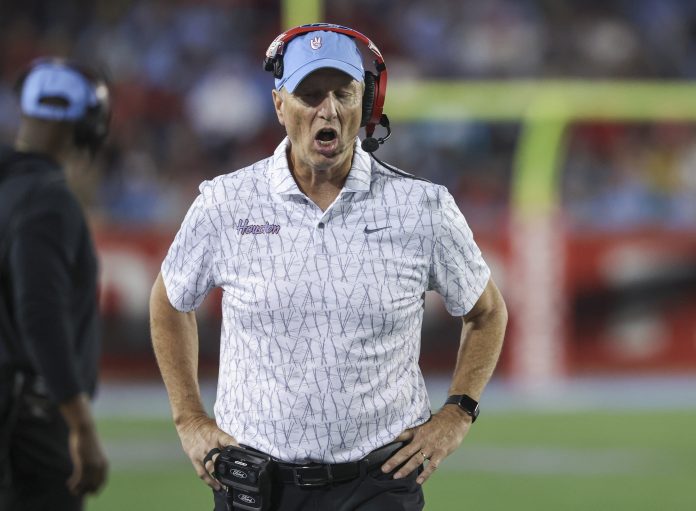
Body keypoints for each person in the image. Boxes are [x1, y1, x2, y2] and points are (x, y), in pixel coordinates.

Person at [150, 23, 507, 511]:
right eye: (310, 94)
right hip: (255, 487)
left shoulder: (422, 207)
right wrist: (189, 419)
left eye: (344, 92)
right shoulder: (225, 203)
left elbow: (487, 312)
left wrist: (458, 412)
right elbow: (169, 301)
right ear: (280, 105)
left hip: (379, 483)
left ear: (365, 104)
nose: (329, 109)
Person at [0, 58, 111, 510]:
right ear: (88, 125)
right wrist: (81, 424)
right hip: (28, 425)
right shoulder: (48, 199)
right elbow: (40, 315)